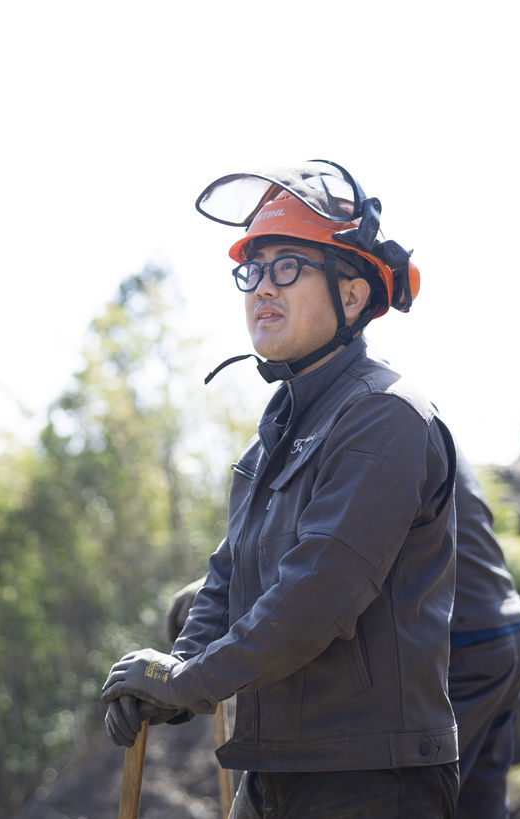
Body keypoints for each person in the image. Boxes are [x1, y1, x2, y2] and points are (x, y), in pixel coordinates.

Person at [101, 160, 462, 817]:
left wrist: (192, 682)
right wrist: (170, 676)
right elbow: (230, 575)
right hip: (275, 770)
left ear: (351, 296)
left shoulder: (385, 415)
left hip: (372, 780)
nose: (262, 288)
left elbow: (317, 594)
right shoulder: (274, 432)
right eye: (252, 269)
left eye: (287, 266)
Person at [164, 445, 520, 819]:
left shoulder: (367, 425)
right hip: (504, 632)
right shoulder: (399, 416)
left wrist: (228, 595)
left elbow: (332, 558)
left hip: (452, 644)